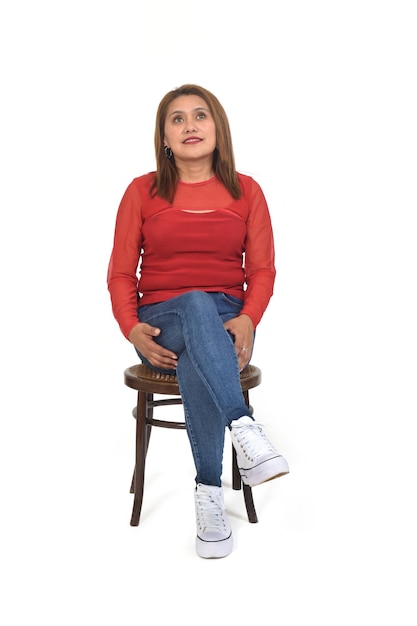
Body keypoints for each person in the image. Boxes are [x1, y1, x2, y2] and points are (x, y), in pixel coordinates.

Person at [107, 84, 289, 559]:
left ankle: (208, 497)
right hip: (161, 322)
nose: (190, 125)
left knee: (198, 359)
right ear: (164, 137)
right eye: (177, 119)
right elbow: (122, 272)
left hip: (227, 322)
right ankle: (244, 427)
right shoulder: (141, 192)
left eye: (200, 116)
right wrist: (130, 327)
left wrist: (249, 318)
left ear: (217, 128)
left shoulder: (247, 191)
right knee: (193, 302)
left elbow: (263, 270)